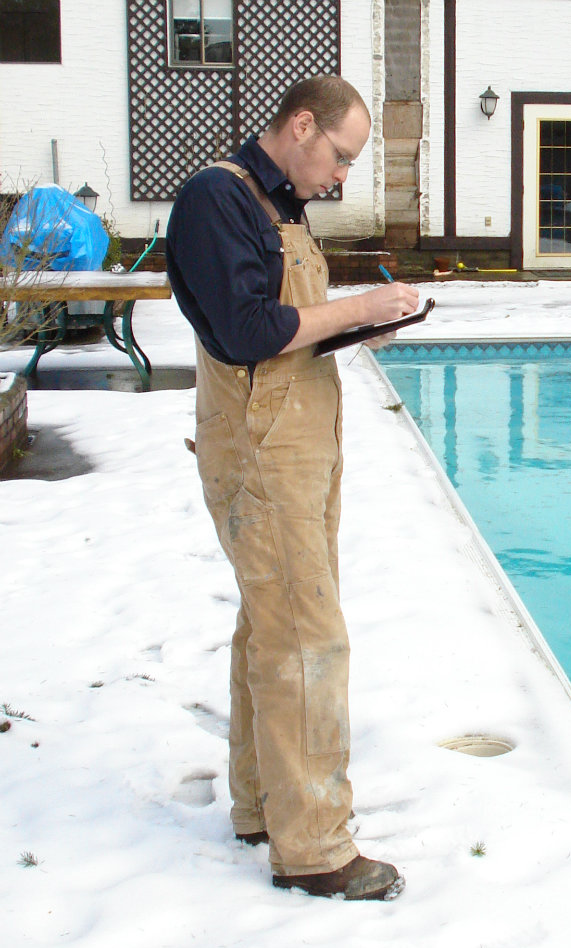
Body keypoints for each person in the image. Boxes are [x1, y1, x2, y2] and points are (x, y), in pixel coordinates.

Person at [166, 75, 420, 900]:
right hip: (262, 455)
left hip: (300, 446)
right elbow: (244, 333)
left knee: (268, 625)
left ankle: (261, 804)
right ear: (301, 125)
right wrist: (353, 310)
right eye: (340, 156)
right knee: (308, 636)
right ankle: (314, 847)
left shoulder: (280, 209)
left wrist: (361, 326)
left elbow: (286, 339)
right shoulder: (217, 198)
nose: (341, 177)